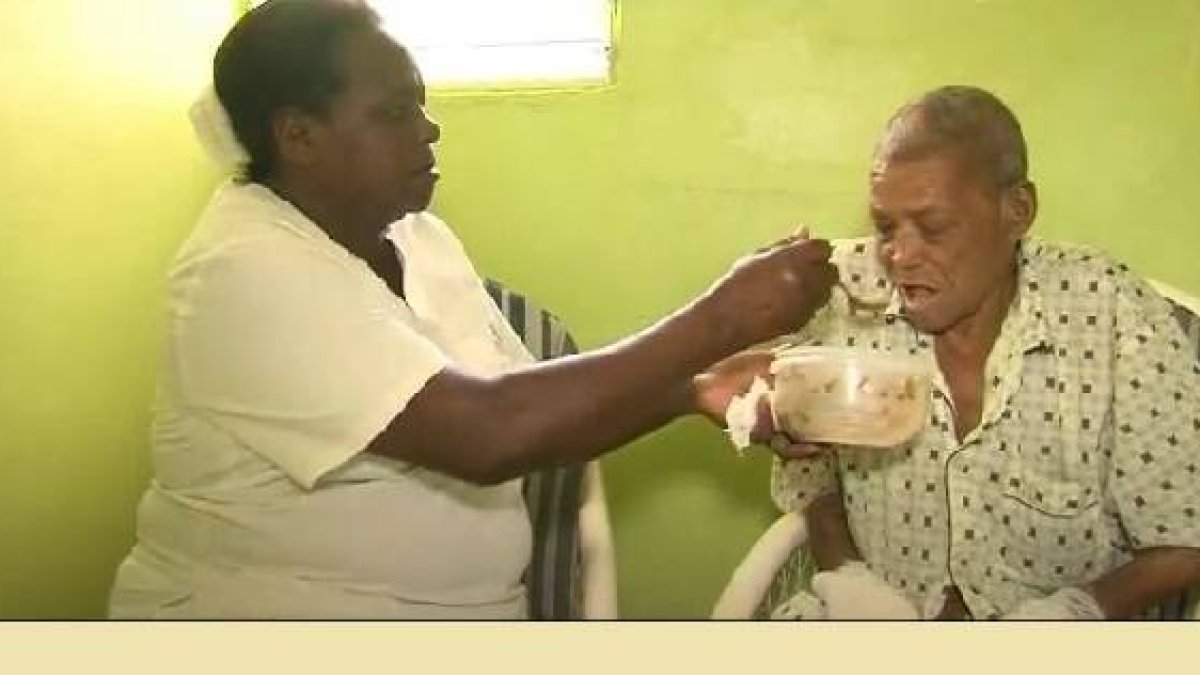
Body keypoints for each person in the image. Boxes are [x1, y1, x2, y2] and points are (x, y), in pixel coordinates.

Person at [106, 0, 836, 619]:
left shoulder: (416, 236)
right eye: (393, 112)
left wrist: (693, 390)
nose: (428, 129)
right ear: (298, 137)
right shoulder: (240, 273)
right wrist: (725, 315)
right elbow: (488, 433)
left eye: (420, 103)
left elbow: (533, 410)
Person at [769, 85, 1200, 620]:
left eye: (933, 228)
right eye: (885, 226)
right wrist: (853, 583)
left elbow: (1184, 536)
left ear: (1017, 212)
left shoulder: (1110, 312)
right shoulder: (843, 296)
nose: (900, 255)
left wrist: (1075, 612)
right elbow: (815, 486)